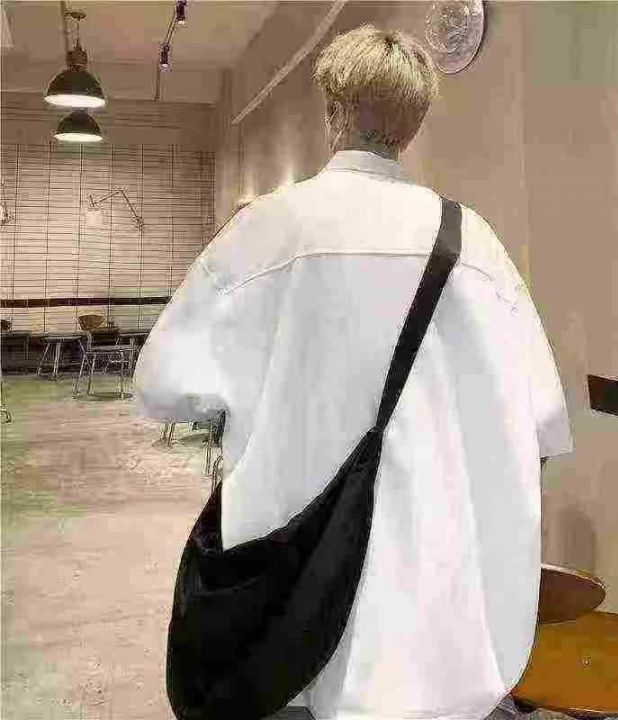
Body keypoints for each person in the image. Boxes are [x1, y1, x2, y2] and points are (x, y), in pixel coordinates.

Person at [134, 24, 572, 720]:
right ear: (414, 125)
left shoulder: (263, 232)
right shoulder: (475, 243)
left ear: (332, 111)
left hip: (291, 584)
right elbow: (543, 420)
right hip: (434, 612)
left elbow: (161, 386)